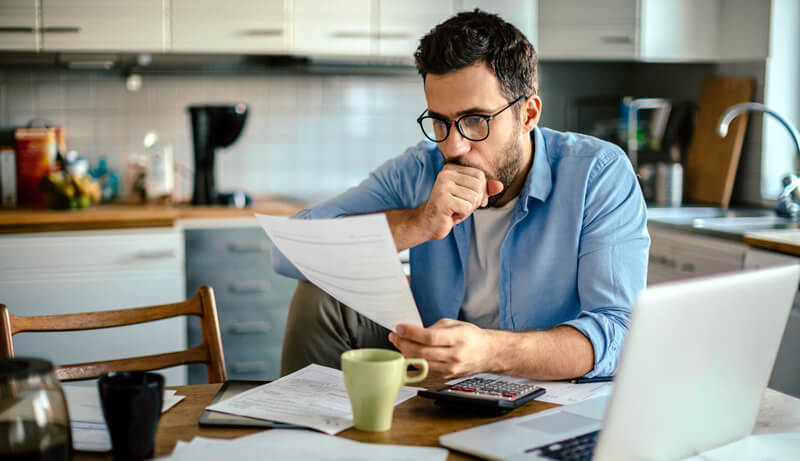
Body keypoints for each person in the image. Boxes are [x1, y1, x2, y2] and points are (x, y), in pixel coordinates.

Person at [273, 10, 649, 380]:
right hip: (435, 372)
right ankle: (312, 434)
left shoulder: (596, 174)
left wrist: (490, 352)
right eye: (440, 121)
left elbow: (621, 333)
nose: (453, 146)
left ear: (529, 115)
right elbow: (289, 252)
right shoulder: (420, 169)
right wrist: (417, 223)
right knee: (320, 292)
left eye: (475, 121)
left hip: (546, 385)